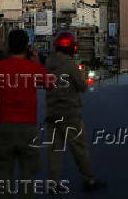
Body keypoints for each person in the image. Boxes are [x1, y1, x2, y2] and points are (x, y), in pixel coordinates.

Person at [0, 29, 55, 198]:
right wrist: (37, 62)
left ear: (8, 46)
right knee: (28, 177)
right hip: (28, 129)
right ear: (27, 48)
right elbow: (50, 84)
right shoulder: (32, 68)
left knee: (5, 176)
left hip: (5, 127)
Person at [45, 31, 106, 193]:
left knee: (54, 150)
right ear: (72, 47)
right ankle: (89, 179)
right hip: (70, 112)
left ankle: (54, 183)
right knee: (79, 147)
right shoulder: (70, 64)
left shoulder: (48, 63)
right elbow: (82, 87)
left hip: (52, 112)